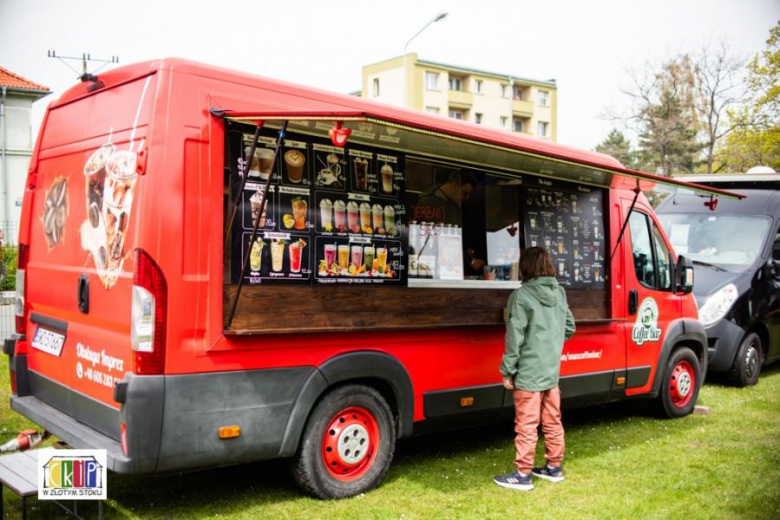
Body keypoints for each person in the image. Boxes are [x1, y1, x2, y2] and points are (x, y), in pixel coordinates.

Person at [493, 247, 575, 491]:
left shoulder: (521, 296)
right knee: (552, 420)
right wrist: (550, 344)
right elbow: (569, 327)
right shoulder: (559, 293)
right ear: (548, 264)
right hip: (551, 370)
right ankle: (554, 468)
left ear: (526, 267)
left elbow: (514, 338)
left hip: (528, 371)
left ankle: (523, 475)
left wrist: (507, 370)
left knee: (527, 425)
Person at [415, 171, 486, 273]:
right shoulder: (431, 203)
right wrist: (469, 260)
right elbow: (439, 243)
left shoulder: (453, 203)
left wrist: (467, 248)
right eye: (465, 193)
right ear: (453, 186)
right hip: (433, 267)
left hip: (447, 266)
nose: (467, 198)